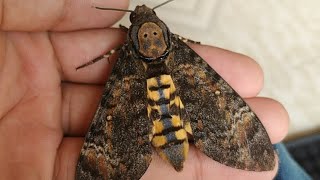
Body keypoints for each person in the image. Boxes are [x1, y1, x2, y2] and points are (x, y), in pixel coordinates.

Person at [0, 0, 310, 179]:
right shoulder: (178, 46)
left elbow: (110, 55)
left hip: (134, 86)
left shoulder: (122, 50)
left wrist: (107, 57)